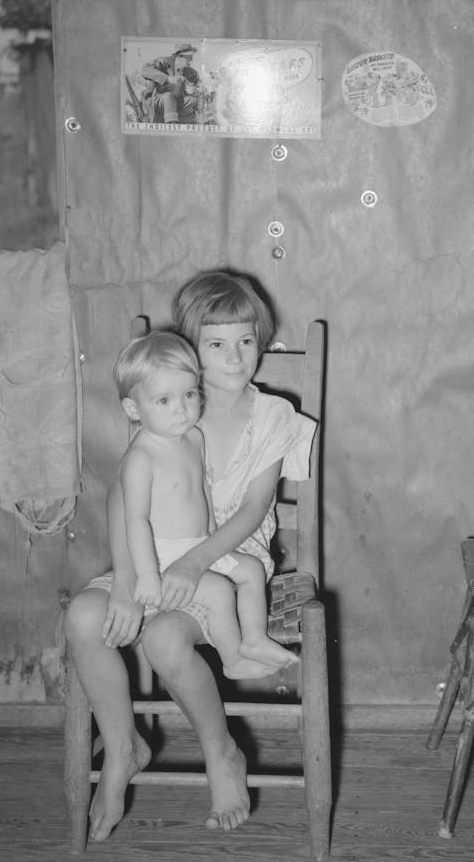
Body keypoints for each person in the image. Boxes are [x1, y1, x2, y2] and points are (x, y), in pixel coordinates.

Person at [63, 269, 316, 843]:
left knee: (162, 638)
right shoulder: (175, 404)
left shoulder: (273, 417)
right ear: (190, 351)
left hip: (228, 564)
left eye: (248, 340)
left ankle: (221, 753)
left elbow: (252, 514)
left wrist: (193, 564)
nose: (235, 357)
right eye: (217, 344)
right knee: (82, 616)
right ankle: (123, 745)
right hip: (146, 559)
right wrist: (125, 582)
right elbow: (121, 495)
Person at [113, 330, 298, 675]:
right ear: (133, 408)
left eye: (189, 395)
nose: (181, 410)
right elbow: (135, 521)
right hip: (164, 555)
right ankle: (233, 660)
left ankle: (254, 638)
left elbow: (201, 492)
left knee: (251, 570)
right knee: (217, 591)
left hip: (199, 544)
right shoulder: (140, 457)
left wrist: (212, 531)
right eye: (164, 401)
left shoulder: (194, 437)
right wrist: (147, 575)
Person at [140, 42, 200, 124]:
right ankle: (172, 125)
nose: (191, 60)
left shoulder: (190, 72)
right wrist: (167, 79)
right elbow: (145, 70)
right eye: (189, 57)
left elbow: (199, 86)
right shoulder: (164, 62)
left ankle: (187, 129)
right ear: (180, 57)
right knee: (169, 97)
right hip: (157, 101)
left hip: (178, 102)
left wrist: (195, 89)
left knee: (193, 101)